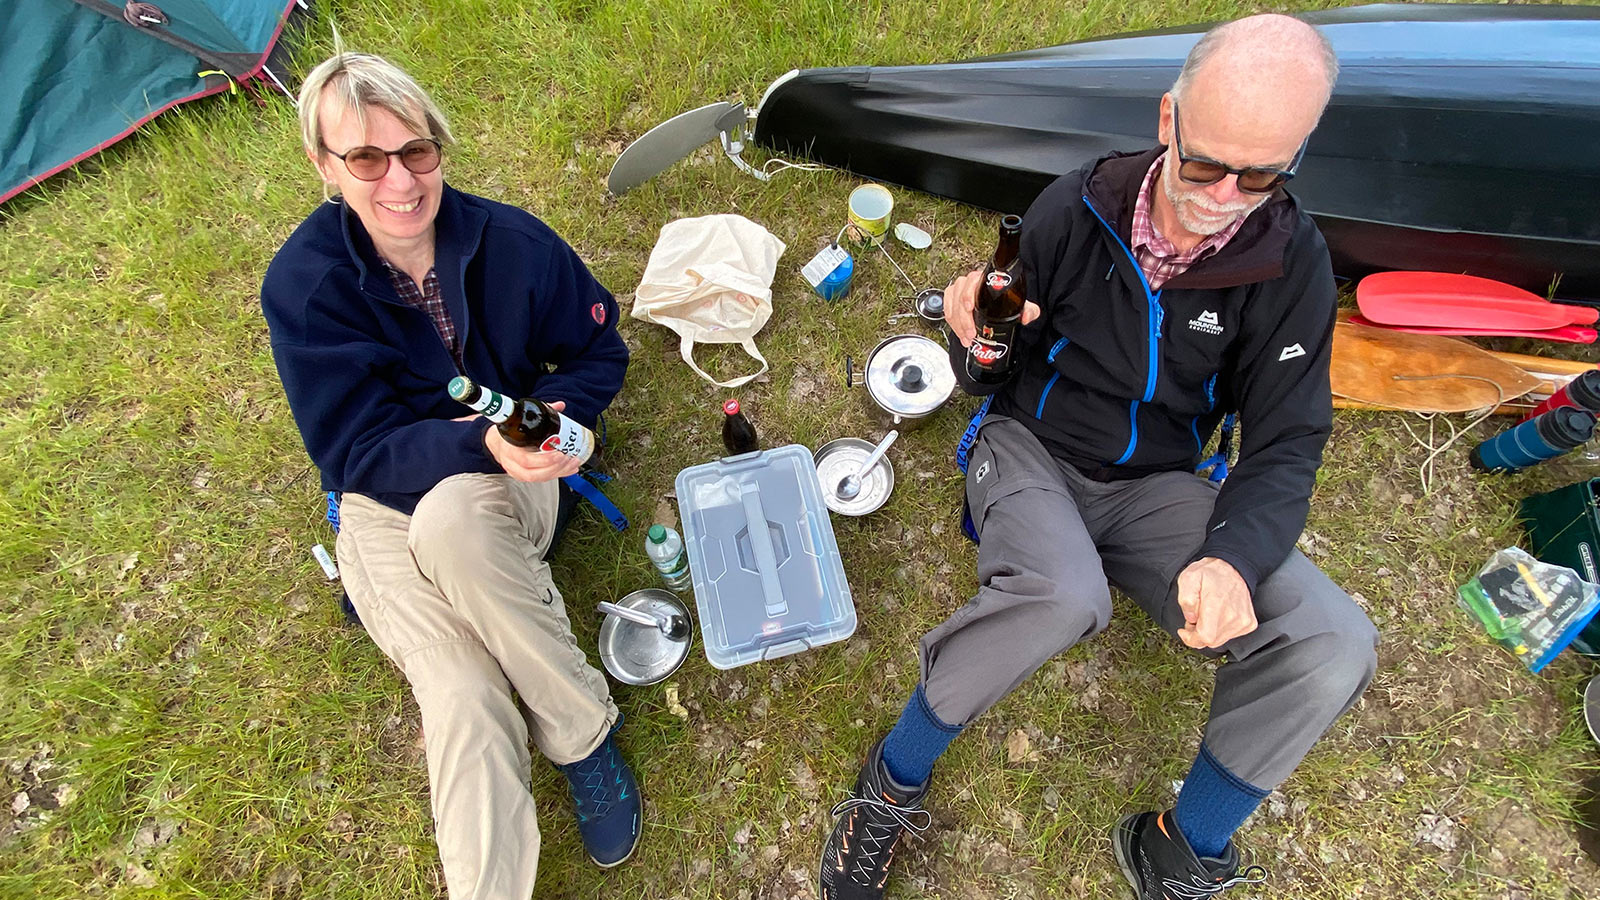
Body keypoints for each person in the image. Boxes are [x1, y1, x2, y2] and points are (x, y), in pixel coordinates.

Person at [818, 15, 1378, 900]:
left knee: (1332, 639)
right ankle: (891, 781)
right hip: (1030, 448)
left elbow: (1288, 436)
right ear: (1168, 120)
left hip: (1161, 487)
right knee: (1060, 596)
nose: (1225, 197)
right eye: (1205, 164)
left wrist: (1233, 557)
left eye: (1261, 174)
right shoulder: (1076, 208)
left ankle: (1182, 844)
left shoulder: (1292, 263)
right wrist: (976, 342)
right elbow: (987, 363)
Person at [260, 52, 639, 899]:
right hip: (381, 508)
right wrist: (481, 440)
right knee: (464, 696)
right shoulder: (304, 287)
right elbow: (354, 455)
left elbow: (597, 352)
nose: (400, 179)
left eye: (416, 151)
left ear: (439, 149)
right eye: (366, 158)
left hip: (505, 491)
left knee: (458, 522)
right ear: (325, 166)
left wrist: (556, 422)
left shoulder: (514, 243)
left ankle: (580, 736)